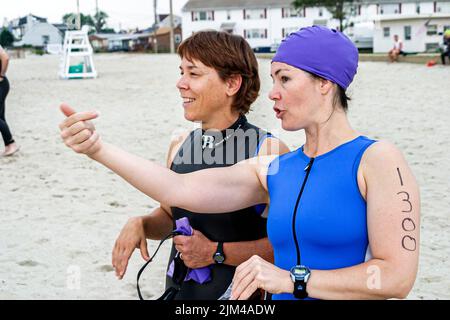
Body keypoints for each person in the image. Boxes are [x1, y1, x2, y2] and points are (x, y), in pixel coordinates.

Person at [59, 25, 420, 300]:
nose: (272, 92)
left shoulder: (377, 159)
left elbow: (396, 278)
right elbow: (178, 189)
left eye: (285, 79)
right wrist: (98, 149)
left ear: (324, 83)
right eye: (273, 78)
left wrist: (294, 278)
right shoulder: (277, 169)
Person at [62, 30, 289, 300]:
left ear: (232, 84)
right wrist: (143, 224)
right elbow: (171, 215)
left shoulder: (267, 150)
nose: (181, 83)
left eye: (193, 74)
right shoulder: (180, 144)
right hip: (178, 291)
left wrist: (216, 251)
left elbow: (291, 246)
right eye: (181, 72)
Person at [0, 44, 19, 156]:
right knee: (1, 117)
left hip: (1, 84)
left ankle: (11, 144)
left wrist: (1, 75)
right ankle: (9, 145)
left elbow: (5, 57)